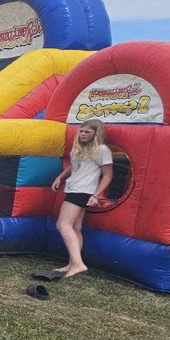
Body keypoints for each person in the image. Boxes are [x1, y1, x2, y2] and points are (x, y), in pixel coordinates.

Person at [50, 118, 113, 277]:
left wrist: (96, 195)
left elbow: (107, 175)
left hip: (82, 190)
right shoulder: (80, 148)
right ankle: (72, 263)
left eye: (87, 132)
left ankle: (78, 264)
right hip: (74, 188)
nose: (83, 134)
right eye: (82, 131)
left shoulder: (102, 150)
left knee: (63, 224)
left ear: (96, 134)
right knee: (75, 227)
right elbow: (74, 166)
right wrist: (60, 177)